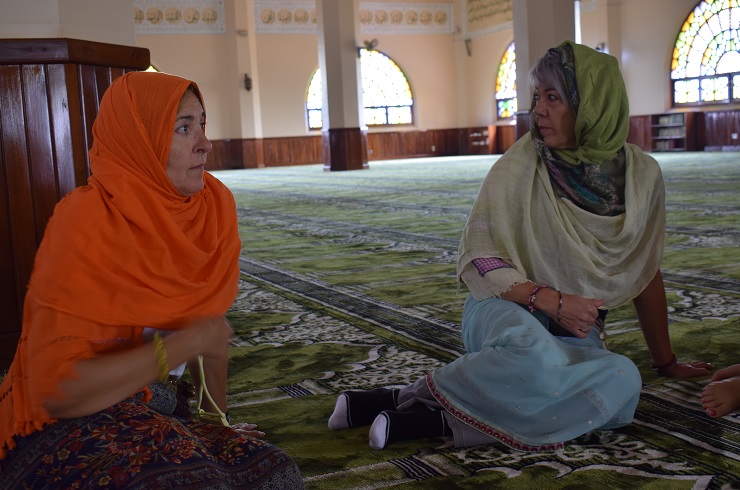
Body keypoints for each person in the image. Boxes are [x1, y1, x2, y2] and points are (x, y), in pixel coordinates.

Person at [328, 41, 713, 451]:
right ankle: (412, 400)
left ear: (594, 105)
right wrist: (550, 300)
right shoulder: (522, 164)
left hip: (576, 329)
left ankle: (435, 416)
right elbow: (480, 259)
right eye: (536, 97)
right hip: (504, 306)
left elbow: (643, 269)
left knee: (623, 380)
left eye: (553, 97)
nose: (539, 110)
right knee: (533, 355)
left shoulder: (642, 178)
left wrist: (665, 363)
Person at [0, 72, 304, 488]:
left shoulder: (210, 207)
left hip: (156, 400)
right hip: (68, 413)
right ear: (138, 140)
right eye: (183, 128)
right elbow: (58, 390)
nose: (204, 143)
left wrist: (216, 421)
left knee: (277, 472)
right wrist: (179, 346)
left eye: (202, 124)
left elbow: (208, 332)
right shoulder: (86, 221)